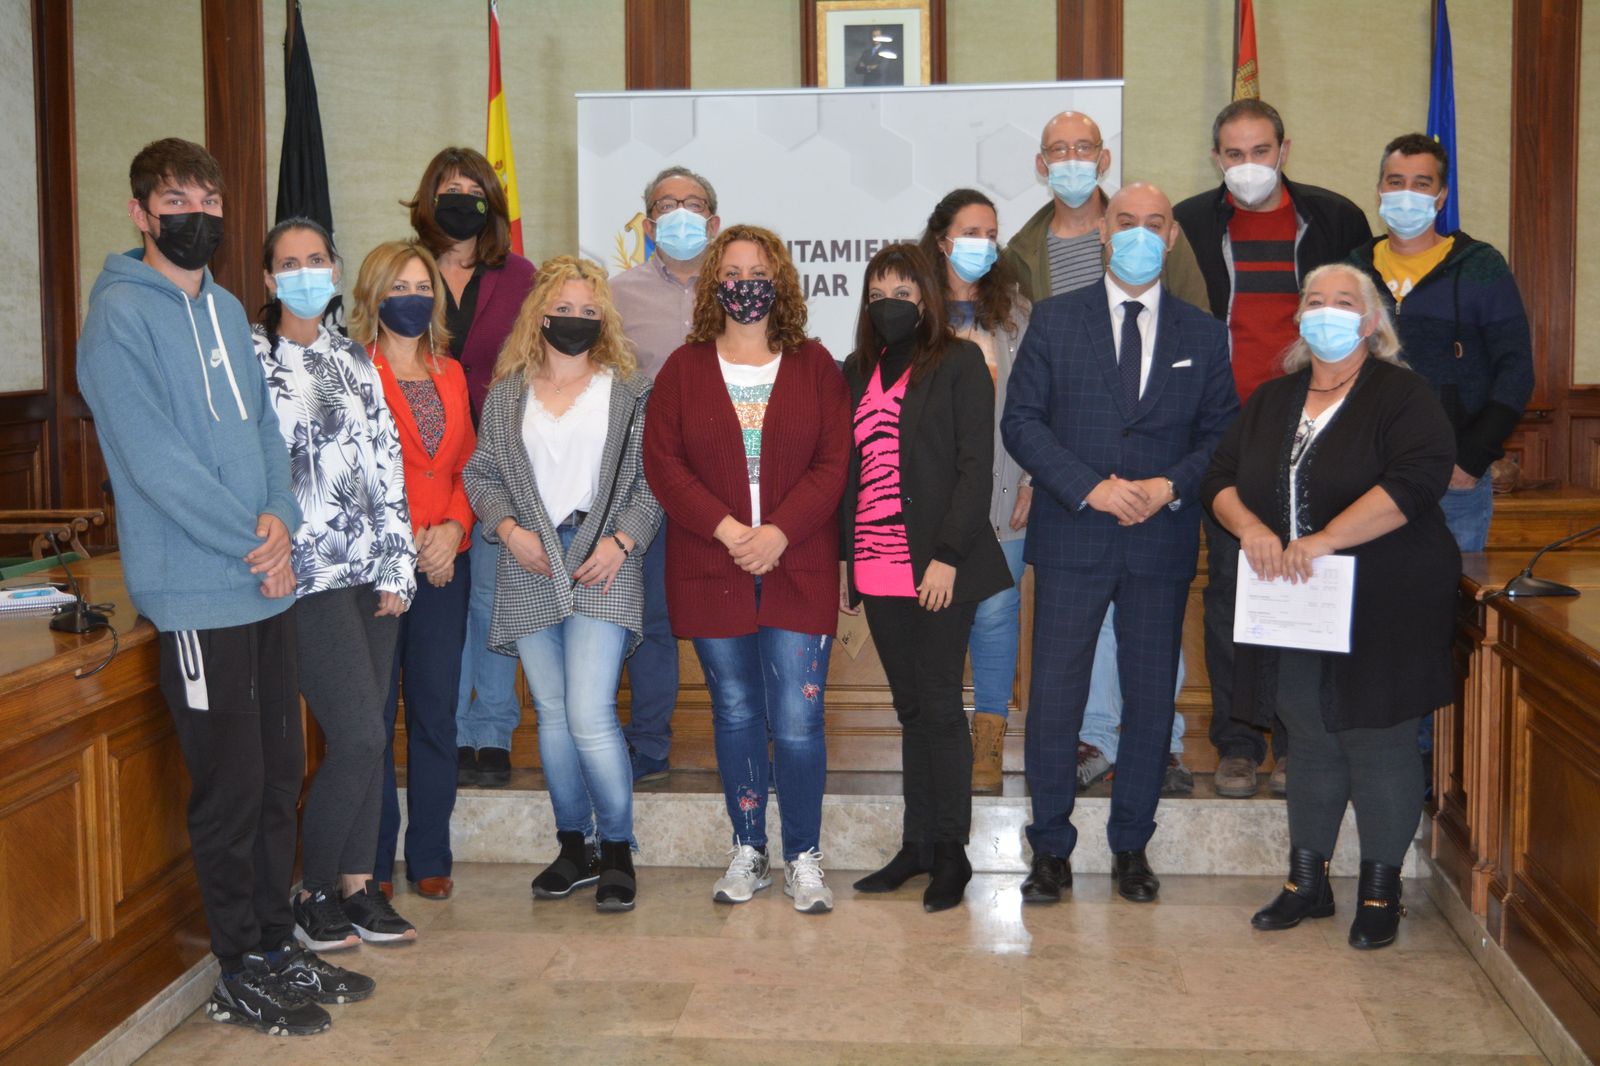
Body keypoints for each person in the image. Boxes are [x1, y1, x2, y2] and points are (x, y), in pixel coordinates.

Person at [78, 137, 349, 1037]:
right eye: (176, 201)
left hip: (263, 582)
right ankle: (238, 969)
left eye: (209, 200)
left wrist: (280, 518)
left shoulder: (230, 308)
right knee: (229, 790)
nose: (196, 216)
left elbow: (266, 433)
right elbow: (155, 463)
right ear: (140, 213)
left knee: (276, 779)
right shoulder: (118, 318)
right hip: (198, 591)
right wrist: (250, 542)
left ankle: (275, 942)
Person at [1201, 264, 1459, 949]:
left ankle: (1380, 893)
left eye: (1344, 302)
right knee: (1308, 732)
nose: (1327, 311)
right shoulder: (1272, 399)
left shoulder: (1403, 394)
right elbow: (1220, 476)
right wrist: (1251, 529)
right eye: (1314, 300)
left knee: (1378, 737)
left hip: (1387, 594)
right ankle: (1305, 884)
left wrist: (1325, 540)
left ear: (1371, 322)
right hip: (1295, 597)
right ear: (1298, 318)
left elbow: (1417, 480)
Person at [1002, 183, 1238, 906]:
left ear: (1172, 237)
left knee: (1149, 699)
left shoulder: (1203, 333)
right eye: (1126, 222)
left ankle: (1132, 845)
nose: (1139, 234)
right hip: (1074, 532)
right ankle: (1050, 849)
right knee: (1055, 700)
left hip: (1160, 539)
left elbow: (1222, 433)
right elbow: (1022, 422)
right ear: (1104, 231)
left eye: (1153, 224)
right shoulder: (1055, 318)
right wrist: (1090, 488)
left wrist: (1169, 485)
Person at [644, 225, 851, 913]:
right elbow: (664, 465)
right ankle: (749, 848)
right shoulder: (683, 368)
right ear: (714, 286)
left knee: (797, 720)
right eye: (732, 273)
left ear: (780, 281)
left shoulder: (815, 365)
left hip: (799, 563)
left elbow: (834, 462)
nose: (745, 285)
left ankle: (803, 856)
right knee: (734, 713)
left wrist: (780, 532)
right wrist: (732, 531)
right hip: (713, 563)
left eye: (758, 273)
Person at [1173, 99, 1374, 801]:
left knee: (1311, 584)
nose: (1248, 165)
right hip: (1226, 434)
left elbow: (1365, 318)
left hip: (1318, 428)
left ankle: (1300, 742)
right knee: (1233, 591)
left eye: (1260, 151)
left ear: (1284, 150)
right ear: (1216, 159)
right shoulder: (1191, 223)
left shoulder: (1334, 219)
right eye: (1234, 154)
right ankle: (1237, 743)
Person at [1002, 109, 1197, 796]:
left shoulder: (1160, 239)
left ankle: (1156, 751)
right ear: (1041, 164)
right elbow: (1026, 397)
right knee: (1071, 651)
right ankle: (1090, 747)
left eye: (1083, 147)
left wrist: (1169, 482)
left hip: (1157, 494)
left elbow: (1201, 367)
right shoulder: (1022, 254)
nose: (1072, 159)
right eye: (1058, 149)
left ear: (1104, 157)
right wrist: (1061, 478)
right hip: (1072, 486)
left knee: (1149, 648)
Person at [462, 256, 661, 912]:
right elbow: (480, 474)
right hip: (529, 559)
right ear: (539, 315)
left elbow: (651, 481)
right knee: (550, 713)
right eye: (563, 309)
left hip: (604, 558)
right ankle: (576, 846)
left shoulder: (629, 390)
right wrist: (507, 529)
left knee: (588, 712)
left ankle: (618, 848)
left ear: (604, 319)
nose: (575, 320)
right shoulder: (508, 392)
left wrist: (622, 541)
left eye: (588, 311)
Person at [256, 225, 421, 953]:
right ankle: (313, 890)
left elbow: (386, 460)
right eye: (288, 264)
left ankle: (359, 886)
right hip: (306, 576)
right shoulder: (253, 359)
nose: (304, 273)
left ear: (334, 270)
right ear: (268, 281)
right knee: (356, 734)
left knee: (371, 734)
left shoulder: (354, 357)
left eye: (316, 260)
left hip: (369, 572)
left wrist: (397, 565)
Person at [841, 243, 1013, 913]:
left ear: (927, 301)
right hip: (876, 562)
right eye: (878, 294)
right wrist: (845, 560)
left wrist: (946, 554)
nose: (890, 305)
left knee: (940, 706)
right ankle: (915, 845)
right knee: (910, 708)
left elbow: (976, 468)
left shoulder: (959, 362)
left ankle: (951, 852)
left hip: (940, 566)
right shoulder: (855, 370)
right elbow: (848, 471)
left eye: (904, 294)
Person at [407, 146, 537, 789]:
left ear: (492, 203)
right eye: (449, 189)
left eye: (473, 190)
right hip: (422, 464)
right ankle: (447, 728)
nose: (461, 199)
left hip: (498, 462)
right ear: (428, 200)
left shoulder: (520, 275)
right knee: (438, 602)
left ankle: (491, 730)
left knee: (490, 601)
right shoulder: (408, 269)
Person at [359, 241, 478, 903]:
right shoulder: (351, 369)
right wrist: (405, 545)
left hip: (442, 569)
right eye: (398, 287)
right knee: (372, 720)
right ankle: (373, 858)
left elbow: (465, 466)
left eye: (422, 286)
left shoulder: (451, 372)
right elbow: (346, 476)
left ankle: (430, 854)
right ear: (373, 296)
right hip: (376, 571)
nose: (412, 297)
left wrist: (454, 530)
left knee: (436, 714)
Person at [1349, 132, 1533, 555]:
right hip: (1366, 476)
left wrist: (1472, 458)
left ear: (1441, 195)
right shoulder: (1354, 269)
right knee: (1374, 594)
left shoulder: (1481, 266)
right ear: (1379, 189)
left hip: (1454, 478)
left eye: (1421, 183)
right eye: (1396, 181)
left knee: (1456, 593)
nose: (1406, 194)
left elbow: (1516, 369)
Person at [916, 189, 1031, 795]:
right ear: (941, 241)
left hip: (1004, 489)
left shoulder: (1015, 314)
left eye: (990, 233)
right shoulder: (914, 309)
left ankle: (988, 742)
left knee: (995, 612)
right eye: (969, 232)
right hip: (931, 495)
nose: (982, 244)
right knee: (934, 617)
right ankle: (936, 738)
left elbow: (1039, 403)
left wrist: (1033, 478)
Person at [611, 165, 723, 783]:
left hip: (725, 483)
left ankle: (746, 735)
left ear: (713, 221)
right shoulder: (615, 295)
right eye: (666, 204)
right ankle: (649, 744)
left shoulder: (739, 289)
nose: (681, 213)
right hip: (645, 483)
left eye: (694, 203)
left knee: (727, 617)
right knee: (651, 617)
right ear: (649, 224)